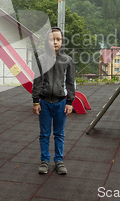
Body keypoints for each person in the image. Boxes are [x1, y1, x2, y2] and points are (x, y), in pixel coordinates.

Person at [32, 27, 75, 175]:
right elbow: (37, 81)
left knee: (59, 134)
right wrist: (35, 101)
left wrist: (70, 102)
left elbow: (70, 83)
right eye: (52, 39)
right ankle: (44, 161)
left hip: (60, 103)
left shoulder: (67, 60)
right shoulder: (41, 60)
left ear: (62, 41)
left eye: (58, 39)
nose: (55, 42)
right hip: (44, 102)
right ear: (47, 41)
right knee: (44, 134)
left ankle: (59, 161)